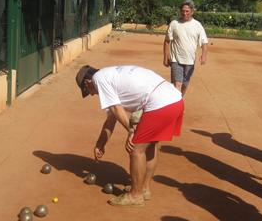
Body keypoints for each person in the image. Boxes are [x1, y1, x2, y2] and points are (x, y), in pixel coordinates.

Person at [76, 65, 184, 206]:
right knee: (150, 145)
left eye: (88, 91)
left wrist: (132, 131)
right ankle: (143, 188)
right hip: (175, 100)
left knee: (136, 149)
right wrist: (100, 144)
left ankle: (135, 195)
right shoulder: (110, 76)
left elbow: (116, 108)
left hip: (160, 103)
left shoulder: (98, 79)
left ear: (87, 82)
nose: (92, 94)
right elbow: (111, 118)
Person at [163, 0, 208, 95]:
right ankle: (176, 106)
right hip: (176, 60)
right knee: (177, 85)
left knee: (184, 85)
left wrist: (204, 55)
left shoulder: (197, 25)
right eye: (183, 11)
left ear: (192, 12)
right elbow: (167, 41)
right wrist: (166, 57)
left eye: (187, 11)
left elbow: (204, 42)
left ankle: (179, 100)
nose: (185, 13)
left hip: (190, 61)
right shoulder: (174, 24)